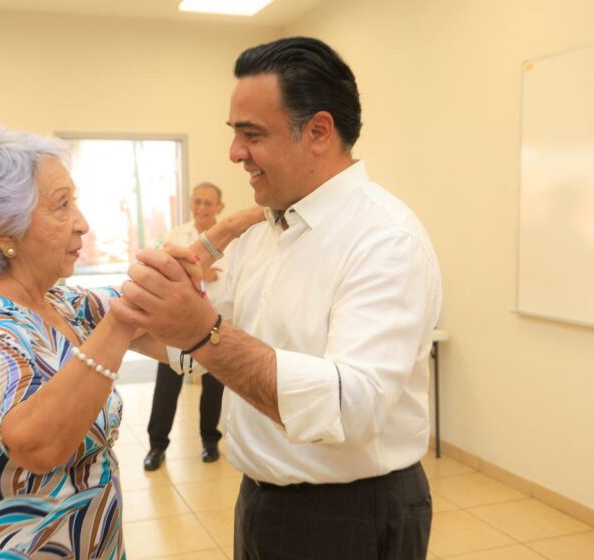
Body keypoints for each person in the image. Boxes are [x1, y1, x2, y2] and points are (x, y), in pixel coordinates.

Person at [112, 37, 442, 560]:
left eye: (252, 134)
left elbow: (347, 409)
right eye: (235, 134)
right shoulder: (267, 232)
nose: (235, 153)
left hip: (349, 516)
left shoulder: (384, 239)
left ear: (318, 132)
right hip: (265, 501)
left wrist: (200, 331)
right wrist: (139, 326)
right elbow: (225, 349)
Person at [0, 123, 260, 558]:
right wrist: (121, 323)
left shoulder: (62, 303)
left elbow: (148, 299)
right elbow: (38, 444)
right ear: (3, 231)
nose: (82, 224)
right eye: (61, 206)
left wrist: (232, 227)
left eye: (75, 203)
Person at [144, 182, 228, 471]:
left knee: (213, 389)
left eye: (208, 203)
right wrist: (201, 272)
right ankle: (157, 446)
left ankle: (209, 441)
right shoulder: (177, 236)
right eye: (198, 202)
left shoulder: (235, 240)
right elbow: (164, 272)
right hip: (178, 326)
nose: (202, 208)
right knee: (167, 386)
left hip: (218, 325)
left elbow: (233, 281)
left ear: (220, 207)